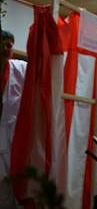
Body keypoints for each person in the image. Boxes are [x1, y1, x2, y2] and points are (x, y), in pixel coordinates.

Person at [0, 31, 26, 208]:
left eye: (10, 45)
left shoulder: (20, 69)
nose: (6, 48)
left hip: (12, 141)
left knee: (11, 188)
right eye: (3, 44)